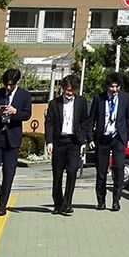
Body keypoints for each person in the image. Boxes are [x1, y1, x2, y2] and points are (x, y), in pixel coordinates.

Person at [0, 68, 31, 216]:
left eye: (11, 84)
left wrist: (15, 112)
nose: (8, 87)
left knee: (9, 173)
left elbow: (27, 114)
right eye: (6, 84)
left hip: (12, 137)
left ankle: (2, 205)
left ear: (17, 82)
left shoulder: (24, 95)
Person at [88, 72, 129, 211]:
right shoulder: (99, 98)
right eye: (112, 87)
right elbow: (91, 119)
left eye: (116, 87)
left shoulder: (125, 98)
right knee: (101, 171)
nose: (114, 89)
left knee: (119, 168)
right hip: (102, 138)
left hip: (118, 137)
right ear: (107, 86)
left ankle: (116, 200)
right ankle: (101, 200)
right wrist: (90, 138)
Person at [45, 75, 89, 215]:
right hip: (59, 141)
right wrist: (49, 141)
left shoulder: (81, 102)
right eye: (67, 90)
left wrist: (84, 138)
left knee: (72, 171)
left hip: (74, 141)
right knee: (57, 174)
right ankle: (57, 204)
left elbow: (85, 121)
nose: (69, 93)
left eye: (72, 90)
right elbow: (49, 123)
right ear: (63, 88)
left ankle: (67, 204)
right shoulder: (54, 103)